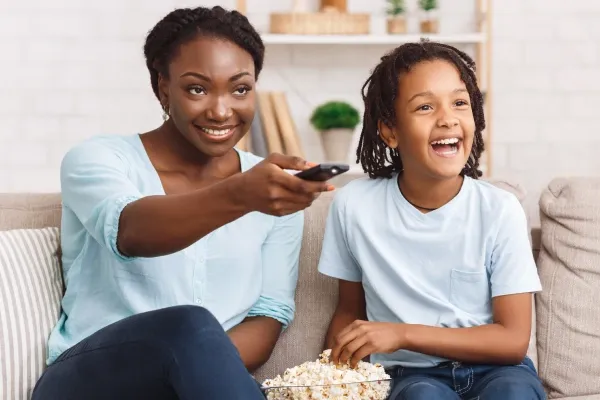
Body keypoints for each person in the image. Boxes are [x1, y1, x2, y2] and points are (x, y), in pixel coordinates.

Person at [32, 6, 332, 400]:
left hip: (200, 387)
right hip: (90, 380)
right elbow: (131, 231)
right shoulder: (99, 159)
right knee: (189, 327)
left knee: (195, 339)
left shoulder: (275, 189)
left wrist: (197, 369)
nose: (222, 110)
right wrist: (242, 194)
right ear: (162, 87)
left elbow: (268, 315)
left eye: (240, 89)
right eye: (197, 88)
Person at [317, 41, 547, 400]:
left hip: (499, 370)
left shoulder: (499, 210)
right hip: (410, 374)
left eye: (459, 103)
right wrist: (327, 381)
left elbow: (513, 341)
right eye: (425, 106)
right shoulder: (352, 206)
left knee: (512, 394)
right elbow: (349, 311)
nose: (447, 118)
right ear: (390, 131)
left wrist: (402, 333)